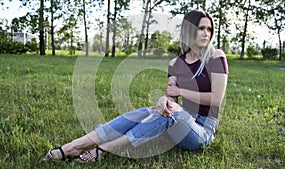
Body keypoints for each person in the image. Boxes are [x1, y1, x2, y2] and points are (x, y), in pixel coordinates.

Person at [40, 9, 228, 163]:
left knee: (172, 113)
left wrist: (179, 92)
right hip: (177, 123)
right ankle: (73, 146)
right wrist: (164, 100)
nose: (206, 33)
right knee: (148, 111)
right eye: (201, 28)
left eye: (209, 29)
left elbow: (216, 99)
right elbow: (171, 99)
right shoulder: (175, 63)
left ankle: (104, 148)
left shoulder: (216, 57)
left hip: (201, 130)